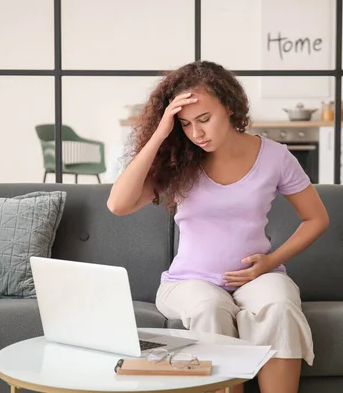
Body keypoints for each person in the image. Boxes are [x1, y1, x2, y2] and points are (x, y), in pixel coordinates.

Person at [107, 60, 329, 393]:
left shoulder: (276, 157)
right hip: (188, 282)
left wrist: (270, 262)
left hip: (255, 277)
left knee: (280, 304)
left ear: (229, 107)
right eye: (185, 123)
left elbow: (317, 218)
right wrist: (160, 133)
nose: (196, 133)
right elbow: (118, 205)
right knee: (210, 307)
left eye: (204, 119)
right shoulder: (178, 160)